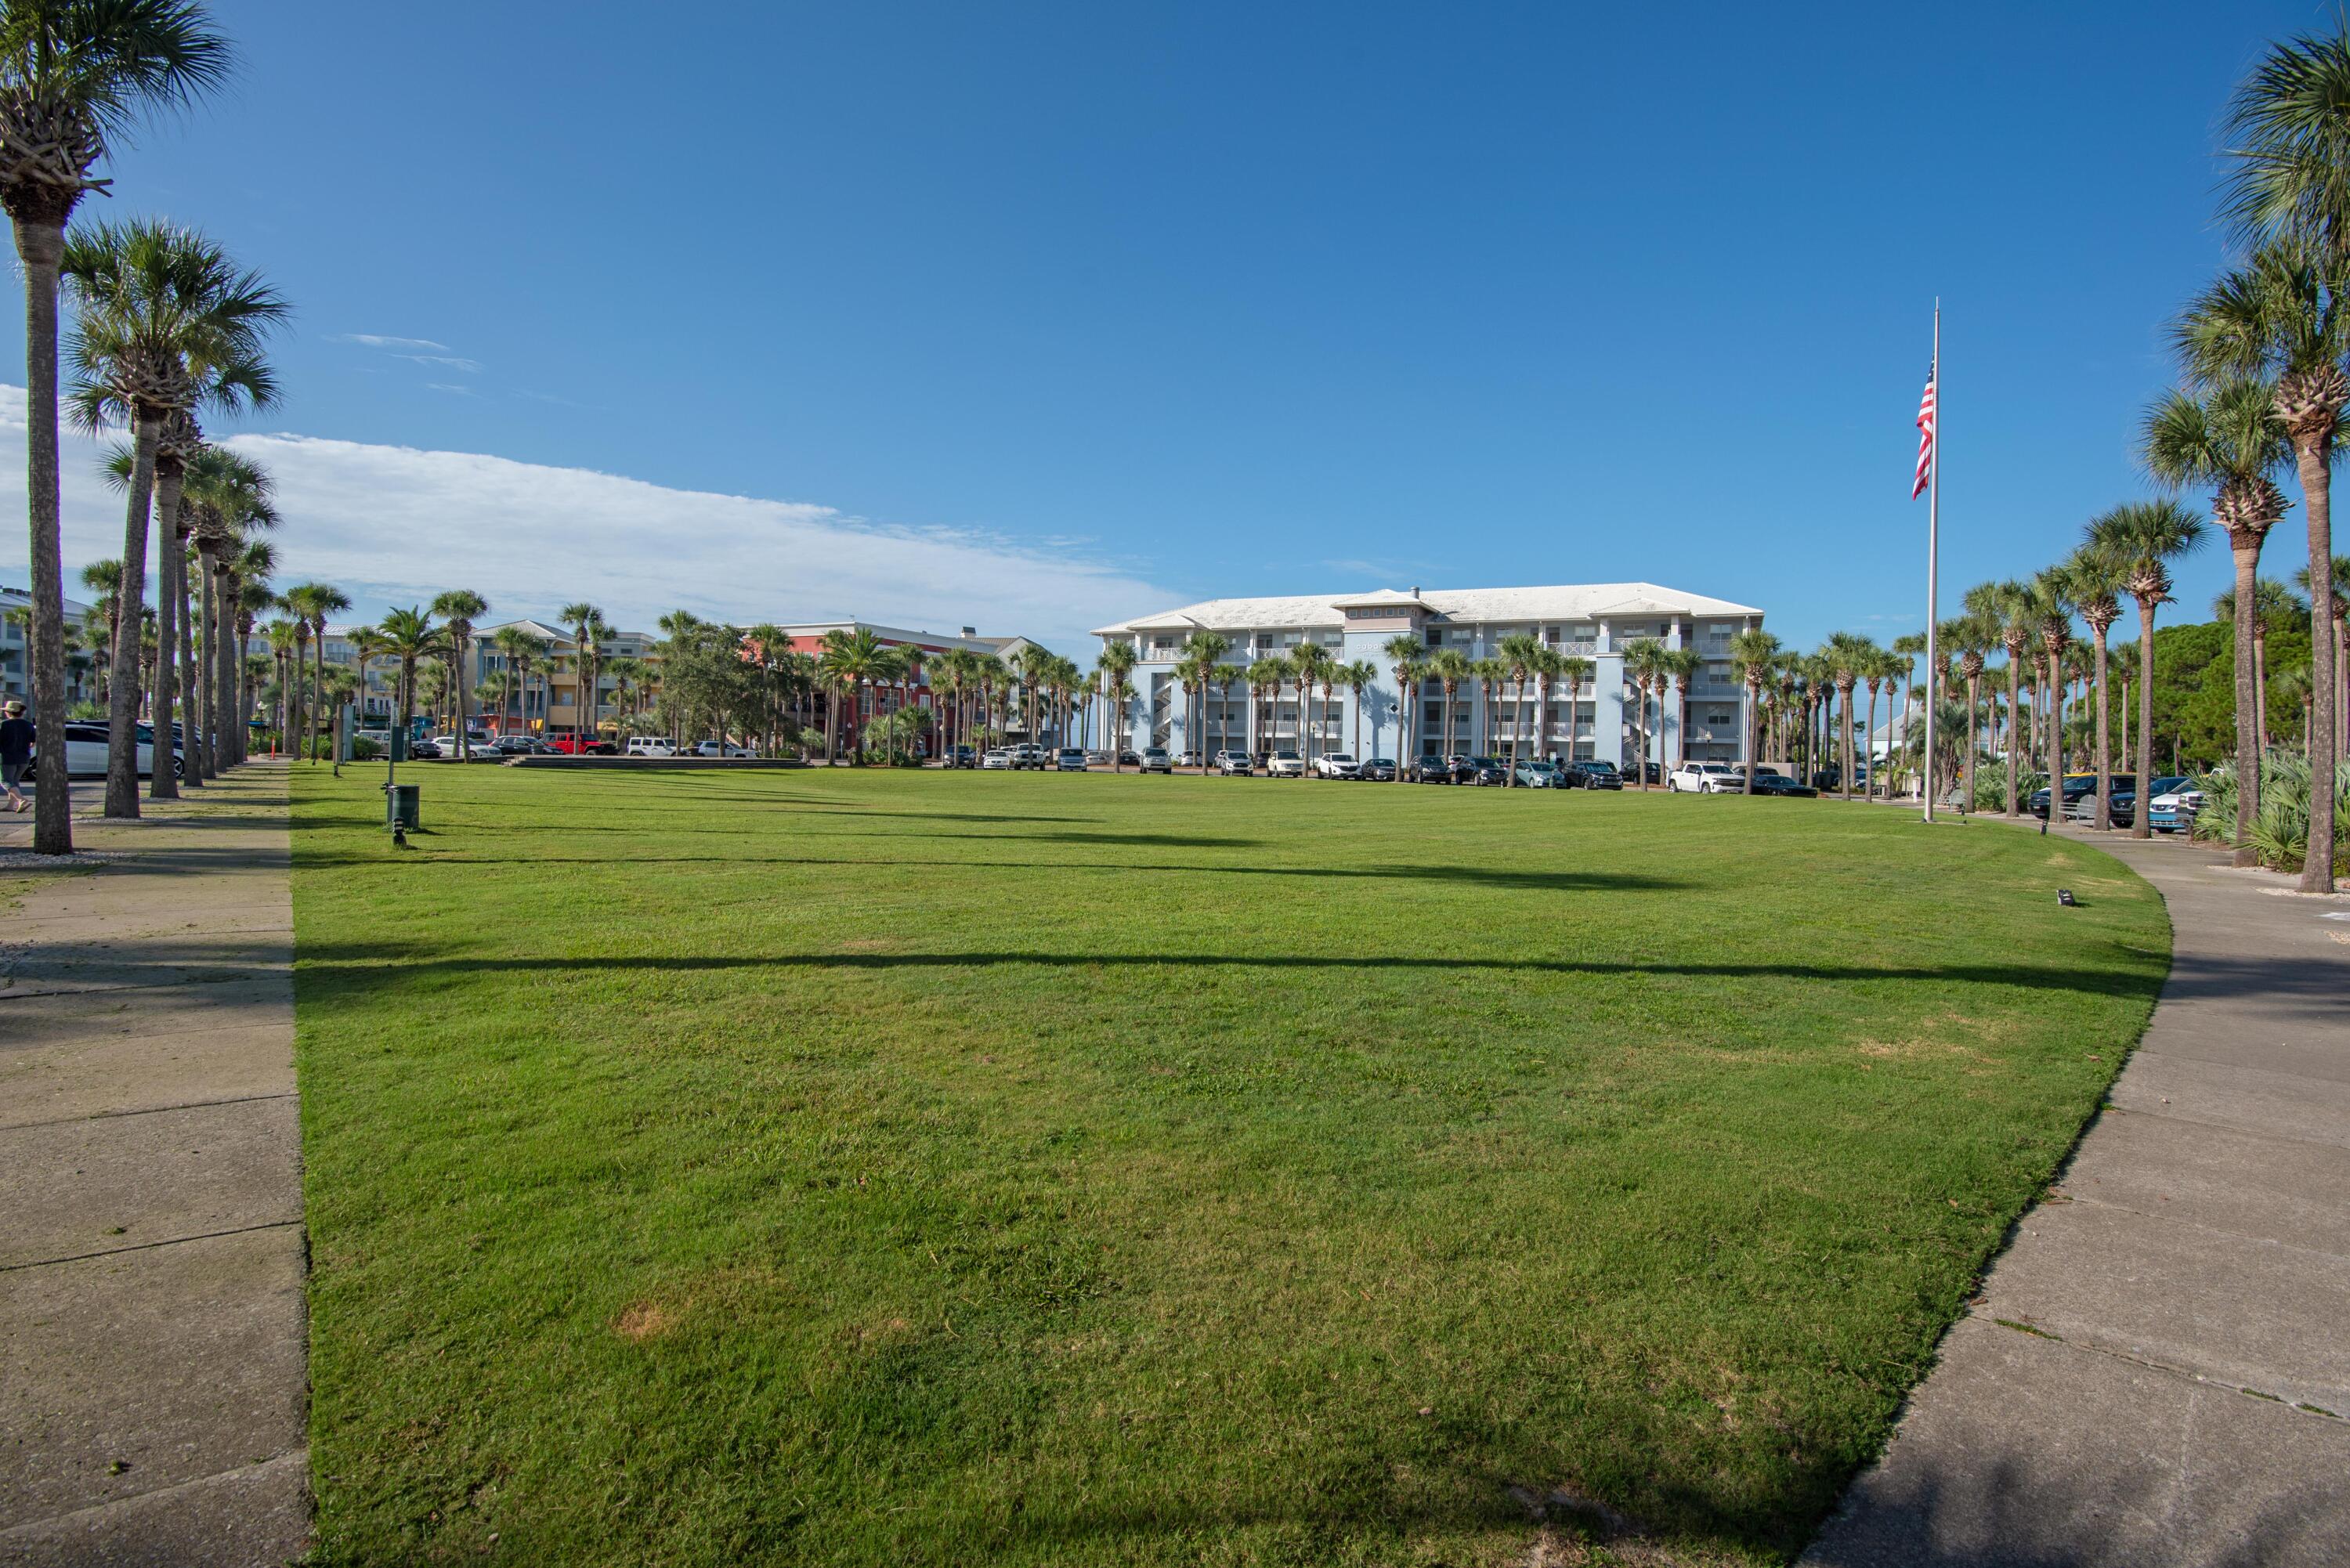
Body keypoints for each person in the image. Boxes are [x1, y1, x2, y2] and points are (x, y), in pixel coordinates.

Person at [1, 699, 34, 814]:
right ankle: (11, 805)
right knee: (15, 781)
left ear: (8, 713)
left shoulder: (4, 724)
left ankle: (22, 800)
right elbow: (33, 742)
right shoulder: (28, 725)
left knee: (5, 781)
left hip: (7, 758)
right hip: (24, 758)